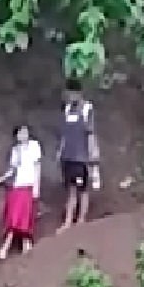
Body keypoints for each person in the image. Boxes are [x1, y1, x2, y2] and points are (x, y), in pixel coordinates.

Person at [0, 124, 41, 259]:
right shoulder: (15, 150)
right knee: (14, 217)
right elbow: (12, 170)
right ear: (17, 135)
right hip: (17, 186)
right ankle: (8, 246)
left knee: (26, 216)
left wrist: (37, 186)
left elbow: (37, 167)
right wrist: (0, 179)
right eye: (21, 132)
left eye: (25, 131)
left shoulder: (34, 146)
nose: (24, 134)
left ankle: (24, 243)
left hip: (29, 186)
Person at [59, 80, 101, 227]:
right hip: (68, 156)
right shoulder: (67, 109)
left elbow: (90, 133)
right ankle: (68, 221)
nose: (69, 96)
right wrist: (61, 152)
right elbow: (64, 134)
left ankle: (81, 220)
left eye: (72, 93)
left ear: (78, 93)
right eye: (68, 93)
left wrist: (93, 155)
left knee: (82, 189)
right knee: (70, 189)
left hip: (81, 157)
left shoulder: (87, 108)